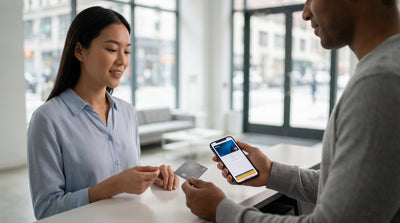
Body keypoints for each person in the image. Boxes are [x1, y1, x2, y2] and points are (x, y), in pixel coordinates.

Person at [182, 0, 400, 222]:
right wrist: (270, 172)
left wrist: (222, 211)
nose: (305, 13)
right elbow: (348, 190)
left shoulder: (381, 81)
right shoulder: (387, 69)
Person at [27, 6, 179, 220]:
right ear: (80, 51)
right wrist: (113, 185)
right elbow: (46, 210)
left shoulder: (127, 112)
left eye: (126, 51)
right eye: (111, 49)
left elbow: (129, 178)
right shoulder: (47, 120)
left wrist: (151, 177)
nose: (122, 61)